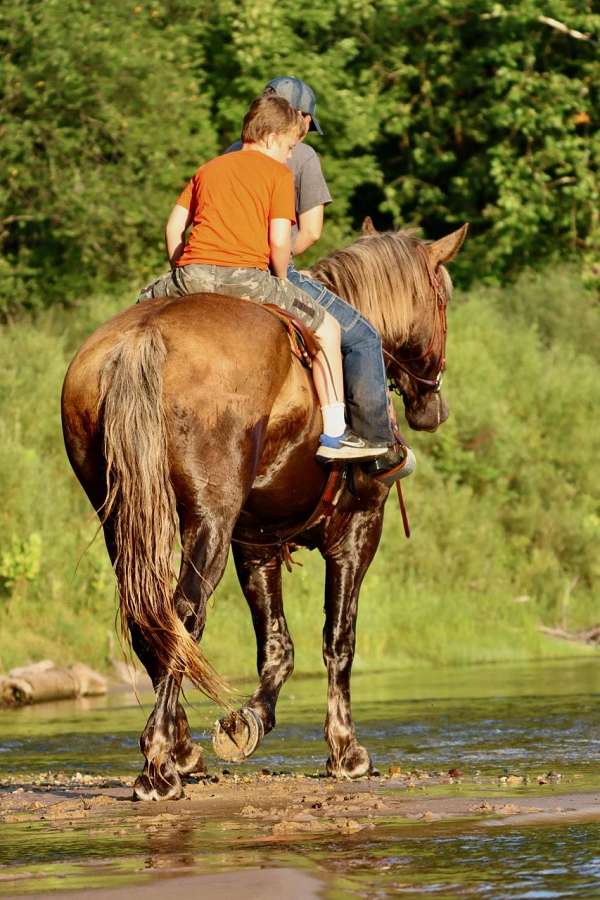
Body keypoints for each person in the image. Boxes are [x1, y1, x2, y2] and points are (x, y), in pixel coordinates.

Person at [138, 95, 387, 462]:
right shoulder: (278, 175)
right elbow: (279, 240)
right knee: (329, 330)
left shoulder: (209, 169)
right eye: (289, 146)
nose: (290, 155)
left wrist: (182, 268)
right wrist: (282, 279)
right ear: (270, 138)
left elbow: (174, 226)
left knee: (142, 307)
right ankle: (336, 433)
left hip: (190, 277)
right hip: (247, 280)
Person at [226, 77, 409, 478]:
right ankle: (374, 444)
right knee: (362, 336)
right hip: (267, 267)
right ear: (300, 118)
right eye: (307, 121)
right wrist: (282, 262)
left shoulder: (231, 152)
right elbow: (310, 231)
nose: (306, 130)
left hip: (216, 268)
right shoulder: (302, 156)